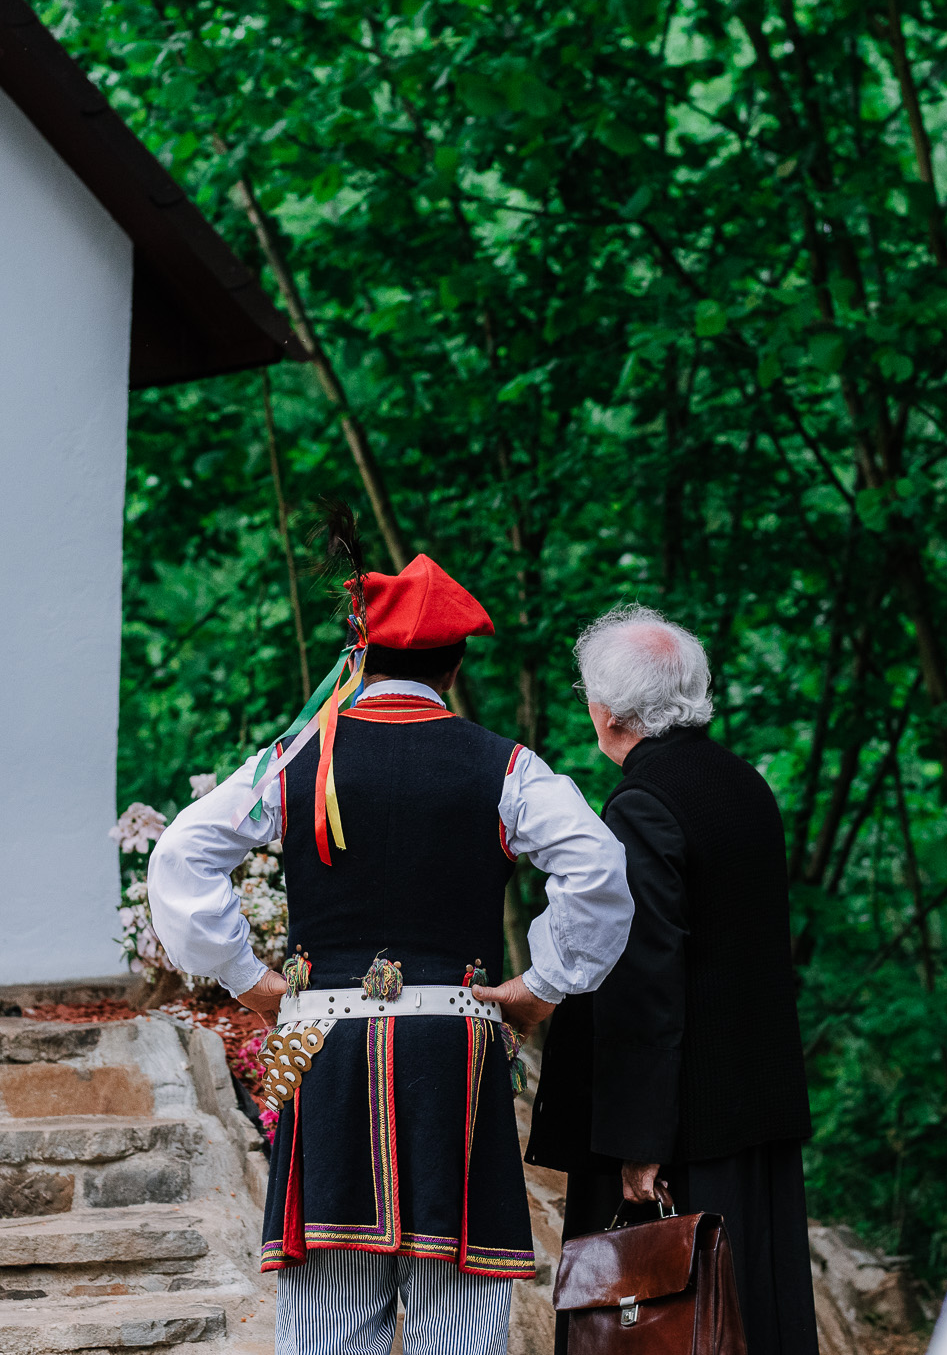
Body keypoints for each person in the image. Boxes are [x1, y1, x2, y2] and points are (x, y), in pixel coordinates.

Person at [149, 546, 632, 1355]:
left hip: (322, 1049)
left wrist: (248, 978)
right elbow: (598, 867)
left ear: (360, 656)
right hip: (455, 1053)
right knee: (459, 1326)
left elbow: (179, 855)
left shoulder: (295, 758)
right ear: (454, 666)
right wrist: (543, 983)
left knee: (331, 1328)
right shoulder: (507, 766)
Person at [527, 604, 818, 1355]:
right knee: (752, 1314)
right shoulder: (743, 783)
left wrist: (638, 1141)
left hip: (683, 1126)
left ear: (608, 710)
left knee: (670, 1325)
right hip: (752, 1108)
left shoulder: (643, 805)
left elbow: (643, 983)